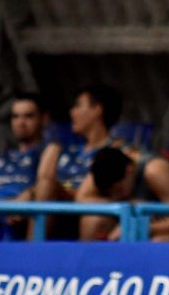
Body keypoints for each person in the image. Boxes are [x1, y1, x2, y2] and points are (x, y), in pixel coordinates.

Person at [32, 84, 123, 239]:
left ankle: (33, 249)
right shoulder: (67, 151)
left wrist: (55, 190)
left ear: (97, 110)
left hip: (87, 212)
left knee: (47, 185)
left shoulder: (116, 152)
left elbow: (108, 195)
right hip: (56, 213)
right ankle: (30, 246)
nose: (72, 112)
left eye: (78, 106)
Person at [75, 147, 169, 242]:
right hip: (144, 223)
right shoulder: (107, 167)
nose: (115, 196)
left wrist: (135, 228)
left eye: (118, 190)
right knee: (92, 221)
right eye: (108, 193)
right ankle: (88, 265)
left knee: (158, 243)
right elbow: (81, 199)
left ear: (129, 170)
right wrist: (126, 205)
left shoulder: (155, 172)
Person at [0, 92, 48, 239]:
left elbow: (52, 186)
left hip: (18, 218)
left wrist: (28, 195)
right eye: (15, 116)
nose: (20, 122)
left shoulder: (48, 154)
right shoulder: (4, 157)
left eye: (28, 116)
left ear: (44, 119)